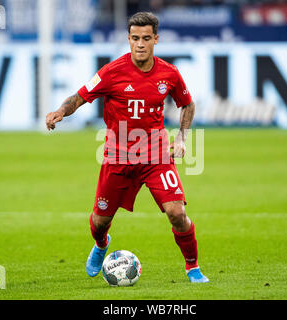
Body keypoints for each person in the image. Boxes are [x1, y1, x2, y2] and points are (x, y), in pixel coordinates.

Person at [45, 12, 209, 283]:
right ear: (128, 39)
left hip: (156, 154)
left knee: (177, 213)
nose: (140, 44)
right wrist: (61, 111)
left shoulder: (169, 73)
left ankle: (193, 268)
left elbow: (187, 104)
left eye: (146, 38)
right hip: (118, 156)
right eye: (135, 38)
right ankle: (101, 244)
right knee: (99, 222)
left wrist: (181, 138)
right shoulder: (112, 72)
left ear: (156, 39)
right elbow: (79, 96)